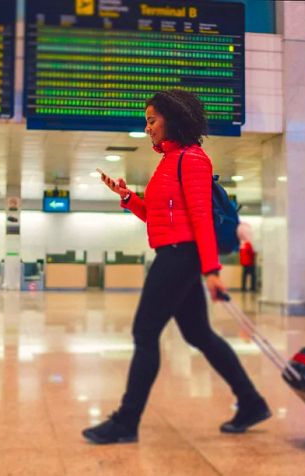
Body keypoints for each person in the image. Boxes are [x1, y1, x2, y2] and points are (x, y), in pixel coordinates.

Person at [82, 89, 270, 445]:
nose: (148, 127)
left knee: (144, 334)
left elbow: (201, 217)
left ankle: (126, 420)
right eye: (147, 121)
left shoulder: (193, 159)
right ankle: (251, 402)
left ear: (173, 119)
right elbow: (157, 217)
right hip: (174, 251)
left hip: (179, 256)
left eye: (152, 120)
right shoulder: (168, 162)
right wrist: (127, 197)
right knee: (198, 334)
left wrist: (212, 270)